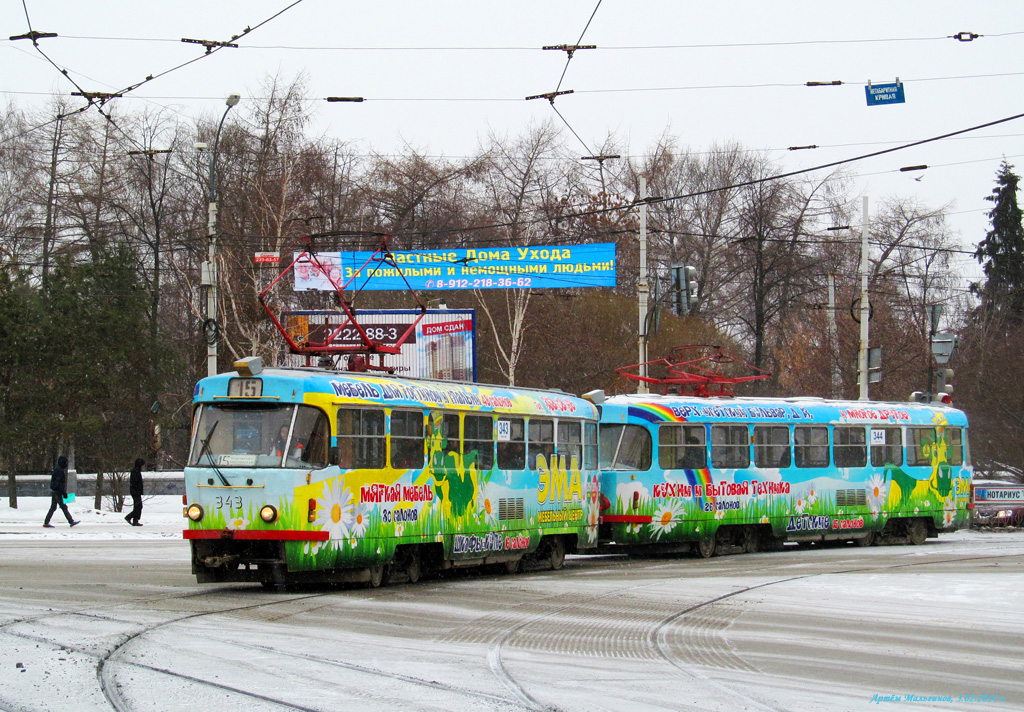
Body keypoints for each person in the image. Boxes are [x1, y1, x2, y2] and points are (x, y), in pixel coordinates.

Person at [43, 455, 79, 528]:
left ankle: (46, 522)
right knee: (63, 507)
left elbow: (56, 482)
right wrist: (63, 492)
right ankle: (71, 521)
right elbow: (60, 483)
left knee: (53, 507)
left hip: (55, 491)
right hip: (58, 492)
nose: (66, 464)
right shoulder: (60, 471)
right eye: (66, 462)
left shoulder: (57, 469)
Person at [125, 458, 145, 526]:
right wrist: (138, 489)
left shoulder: (136, 471)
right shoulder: (135, 471)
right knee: (138, 506)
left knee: (138, 506)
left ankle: (135, 520)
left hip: (136, 491)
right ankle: (129, 517)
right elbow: (135, 482)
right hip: (135, 491)